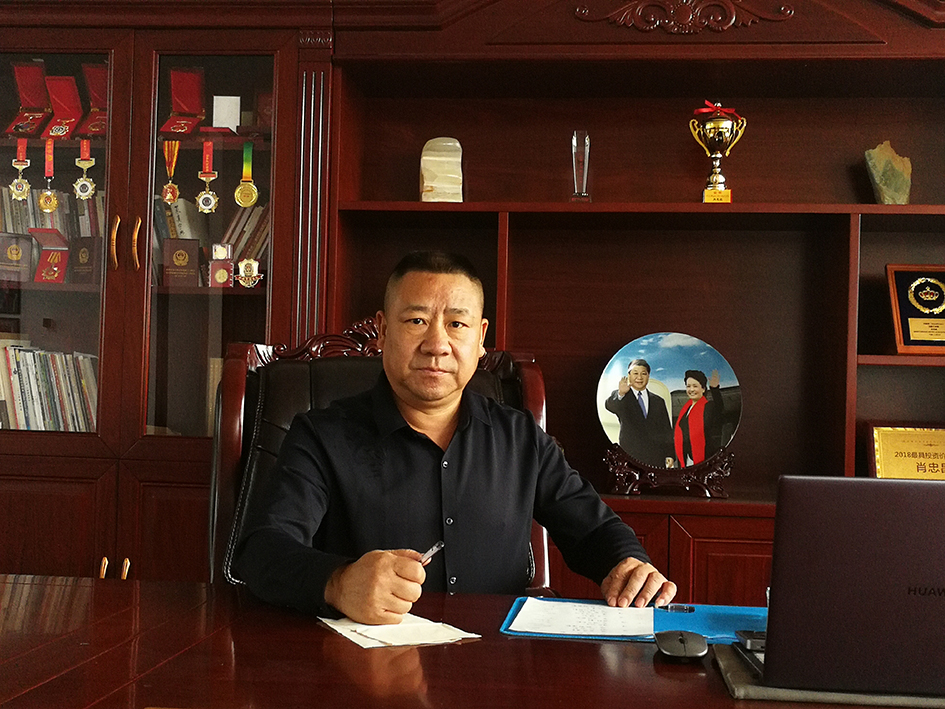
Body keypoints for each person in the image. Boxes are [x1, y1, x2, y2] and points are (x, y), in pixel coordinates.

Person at [234, 250, 676, 624]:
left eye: (457, 325)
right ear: (383, 331)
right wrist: (338, 582)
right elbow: (262, 552)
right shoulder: (321, 436)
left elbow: (594, 530)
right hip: (369, 667)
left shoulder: (520, 437)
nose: (437, 344)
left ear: (480, 338)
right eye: (416, 320)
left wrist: (628, 565)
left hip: (496, 666)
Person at [604, 359, 674, 468]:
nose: (639, 377)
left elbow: (666, 429)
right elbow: (610, 406)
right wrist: (621, 393)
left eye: (643, 374)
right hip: (631, 455)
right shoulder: (622, 396)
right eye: (635, 373)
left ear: (648, 376)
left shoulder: (658, 401)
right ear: (629, 375)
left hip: (656, 456)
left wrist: (670, 454)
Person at [673, 369, 724, 466]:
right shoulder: (685, 409)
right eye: (688, 386)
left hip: (704, 458)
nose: (691, 389)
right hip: (687, 460)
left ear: (703, 389)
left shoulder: (708, 407)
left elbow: (719, 408)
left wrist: (714, 389)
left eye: (695, 386)